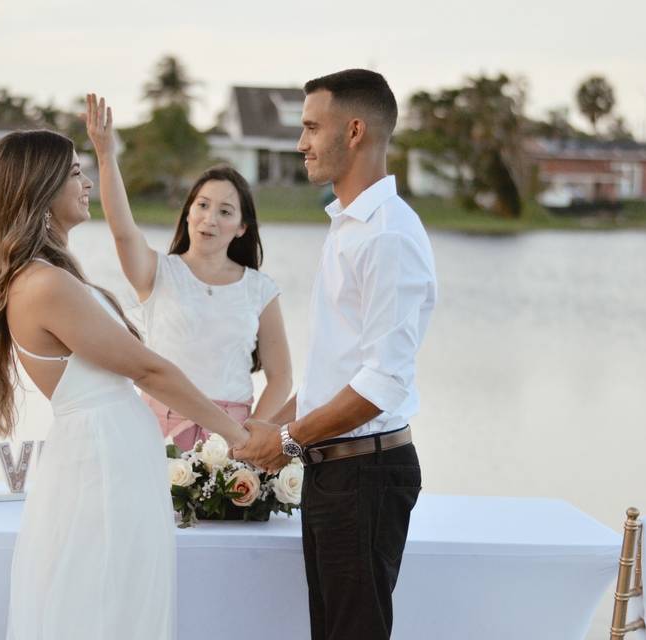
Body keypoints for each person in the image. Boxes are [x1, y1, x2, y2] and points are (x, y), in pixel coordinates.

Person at [0, 129, 249, 639]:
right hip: (101, 465)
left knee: (119, 602)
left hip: (112, 458)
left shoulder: (49, 274)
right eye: (74, 172)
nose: (85, 180)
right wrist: (239, 436)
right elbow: (148, 369)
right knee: (101, 606)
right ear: (40, 187)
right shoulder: (43, 283)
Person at [235, 69, 438, 640]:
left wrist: (288, 440)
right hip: (337, 470)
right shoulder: (349, 227)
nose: (301, 143)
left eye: (310, 127)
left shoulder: (387, 234)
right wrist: (270, 428)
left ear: (353, 131)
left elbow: (383, 382)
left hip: (367, 473)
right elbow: (336, 374)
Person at [83, 94, 292, 452]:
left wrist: (250, 435)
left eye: (226, 211)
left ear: (242, 227)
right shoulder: (157, 272)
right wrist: (105, 156)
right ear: (188, 213)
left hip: (231, 438)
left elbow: (281, 376)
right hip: (156, 432)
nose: (210, 218)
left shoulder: (259, 288)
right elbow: (122, 229)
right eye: (203, 205)